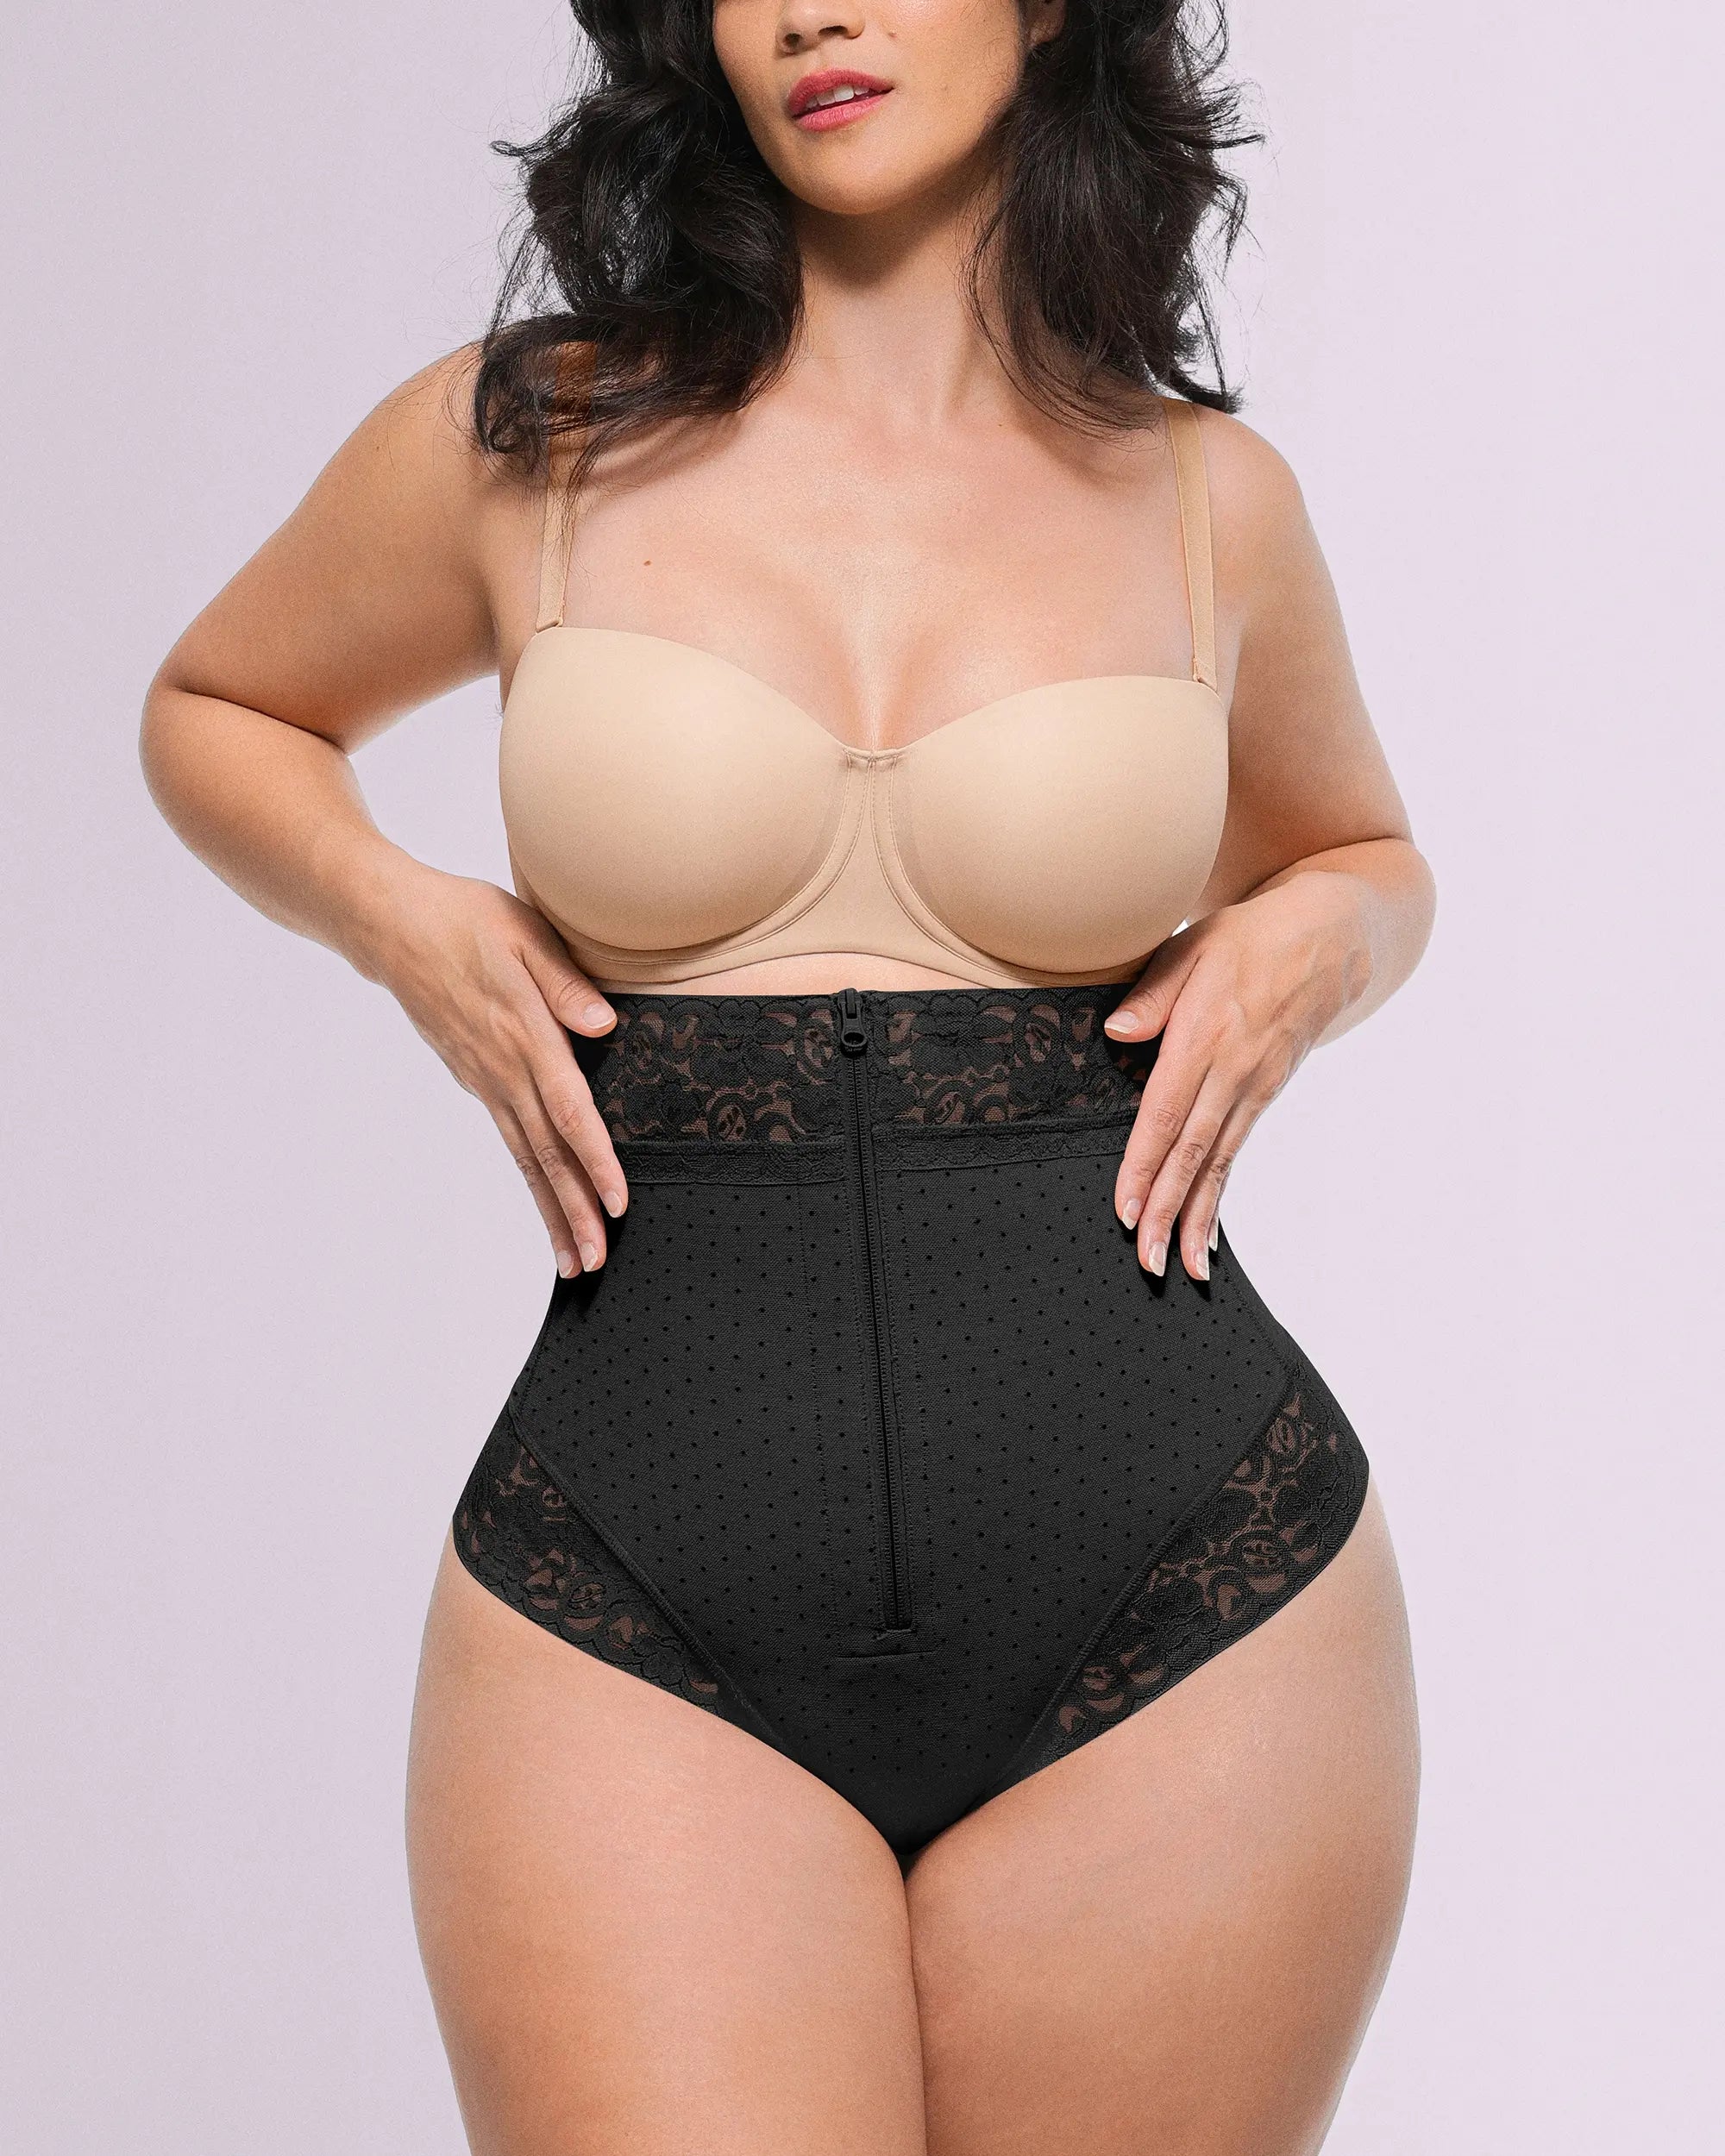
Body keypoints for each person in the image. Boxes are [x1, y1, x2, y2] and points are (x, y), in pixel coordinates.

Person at [141, 3, 1432, 2148]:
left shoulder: (1210, 501)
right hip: (637, 1576)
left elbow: (1363, 854)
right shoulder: (533, 437)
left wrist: (1326, 939)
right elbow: (221, 704)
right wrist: (401, 918)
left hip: (1184, 1570)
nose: (809, 8)